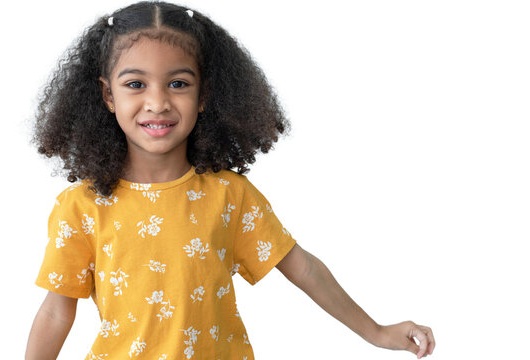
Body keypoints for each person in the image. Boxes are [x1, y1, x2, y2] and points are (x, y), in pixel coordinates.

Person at [25, 2, 436, 359]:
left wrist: (378, 332)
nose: (158, 102)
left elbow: (304, 269)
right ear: (108, 95)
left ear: (204, 95)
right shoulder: (82, 206)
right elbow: (56, 311)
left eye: (178, 84)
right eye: (135, 84)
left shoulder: (229, 196)